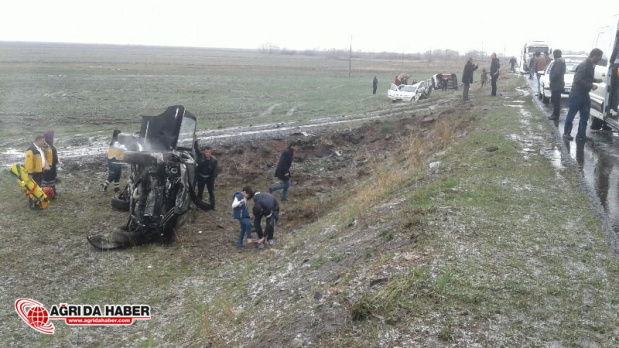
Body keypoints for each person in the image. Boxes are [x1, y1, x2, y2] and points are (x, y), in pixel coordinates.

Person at [563, 48, 604, 142]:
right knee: (571, 115)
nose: (600, 59)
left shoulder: (590, 65)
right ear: (594, 56)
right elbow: (578, 79)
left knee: (585, 116)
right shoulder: (584, 65)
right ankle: (566, 133)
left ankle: (581, 135)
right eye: (599, 57)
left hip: (585, 94)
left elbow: (586, 77)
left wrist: (595, 80)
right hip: (577, 94)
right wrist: (591, 85)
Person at [24, 135, 50, 209]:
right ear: (38, 140)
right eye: (43, 141)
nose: (44, 142)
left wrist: (46, 146)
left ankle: (37, 202)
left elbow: (48, 153)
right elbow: (28, 162)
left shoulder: (40, 149)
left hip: (40, 172)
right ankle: (32, 204)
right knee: (33, 189)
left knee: (38, 188)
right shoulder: (31, 150)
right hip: (34, 173)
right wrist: (30, 173)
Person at [196, 145, 218, 209]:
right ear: (204, 152)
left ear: (211, 152)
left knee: (211, 192)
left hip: (209, 178)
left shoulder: (214, 160)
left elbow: (215, 170)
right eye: (206, 152)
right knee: (200, 192)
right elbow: (196, 149)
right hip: (201, 177)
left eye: (209, 152)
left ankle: (213, 206)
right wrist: (195, 141)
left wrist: (213, 178)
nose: (208, 154)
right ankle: (198, 205)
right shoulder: (201, 156)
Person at [548, 49, 566, 120]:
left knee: (556, 100)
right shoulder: (561, 61)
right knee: (555, 100)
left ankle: (555, 115)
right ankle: (555, 114)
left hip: (556, 84)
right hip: (558, 84)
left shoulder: (558, 62)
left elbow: (556, 73)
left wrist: (552, 79)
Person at [42, 130, 59, 196]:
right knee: (50, 179)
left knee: (48, 180)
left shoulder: (46, 146)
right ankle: (50, 193)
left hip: (49, 166)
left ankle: (49, 193)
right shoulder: (49, 147)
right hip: (49, 166)